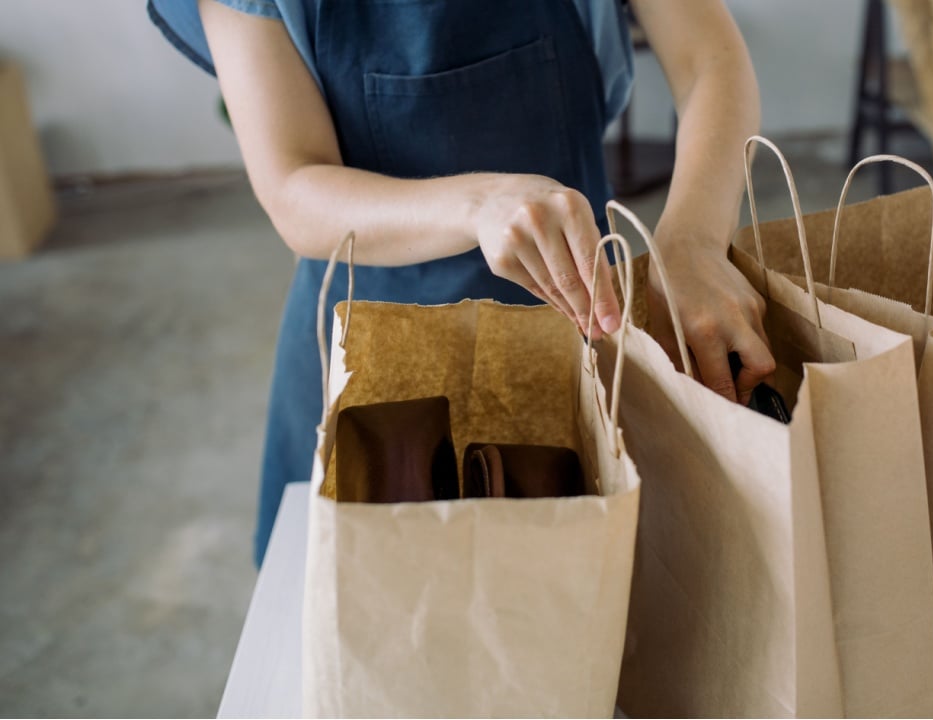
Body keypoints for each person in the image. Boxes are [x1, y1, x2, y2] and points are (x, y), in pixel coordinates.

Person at [149, 0, 774, 565]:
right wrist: (480, 206)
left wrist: (691, 240)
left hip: (580, 342)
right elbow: (292, 184)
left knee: (592, 618)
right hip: (372, 365)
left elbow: (708, 60)